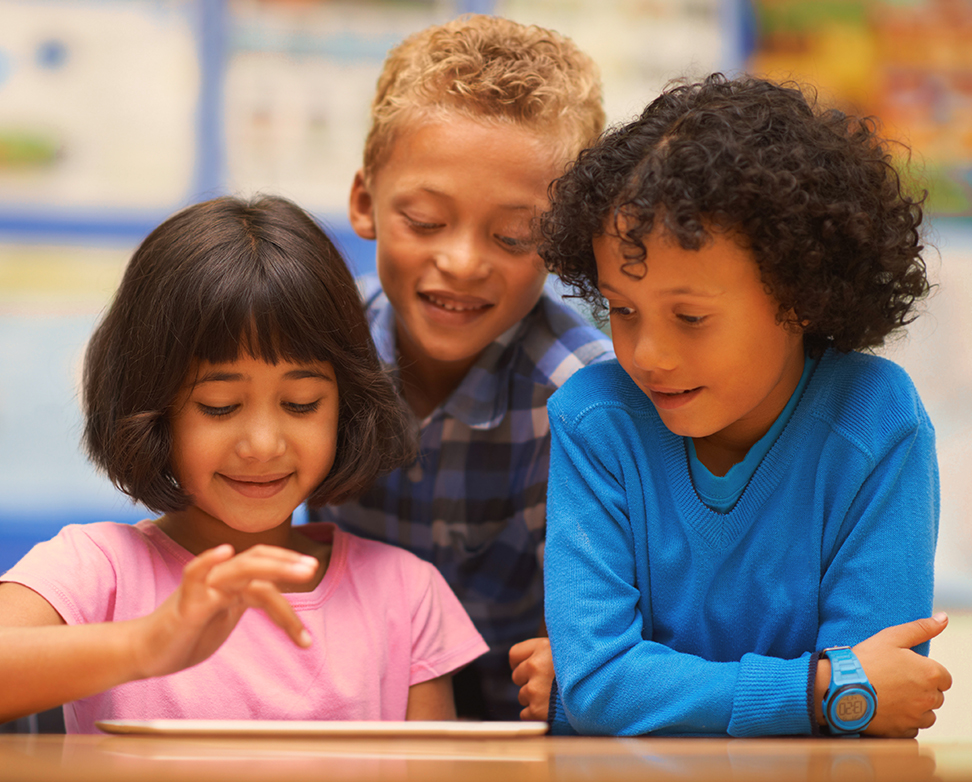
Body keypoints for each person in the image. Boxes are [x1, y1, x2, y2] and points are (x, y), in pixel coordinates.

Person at [537, 73, 952, 736]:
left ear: (798, 295)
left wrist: (654, 688)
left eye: (691, 317)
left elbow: (884, 692)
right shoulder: (594, 420)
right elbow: (598, 683)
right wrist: (818, 691)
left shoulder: (875, 421)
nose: (648, 355)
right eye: (621, 310)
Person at [0, 195, 488, 734]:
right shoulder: (99, 570)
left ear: (346, 406)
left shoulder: (406, 594)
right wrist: (147, 642)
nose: (262, 444)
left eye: (301, 403)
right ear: (153, 404)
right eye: (220, 407)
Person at [310, 15, 614, 720]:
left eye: (513, 236)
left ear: (565, 243)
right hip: (351, 717)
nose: (464, 262)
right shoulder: (315, 354)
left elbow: (600, 641)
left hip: (522, 733)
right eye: (424, 220)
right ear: (365, 203)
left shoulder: (585, 403)